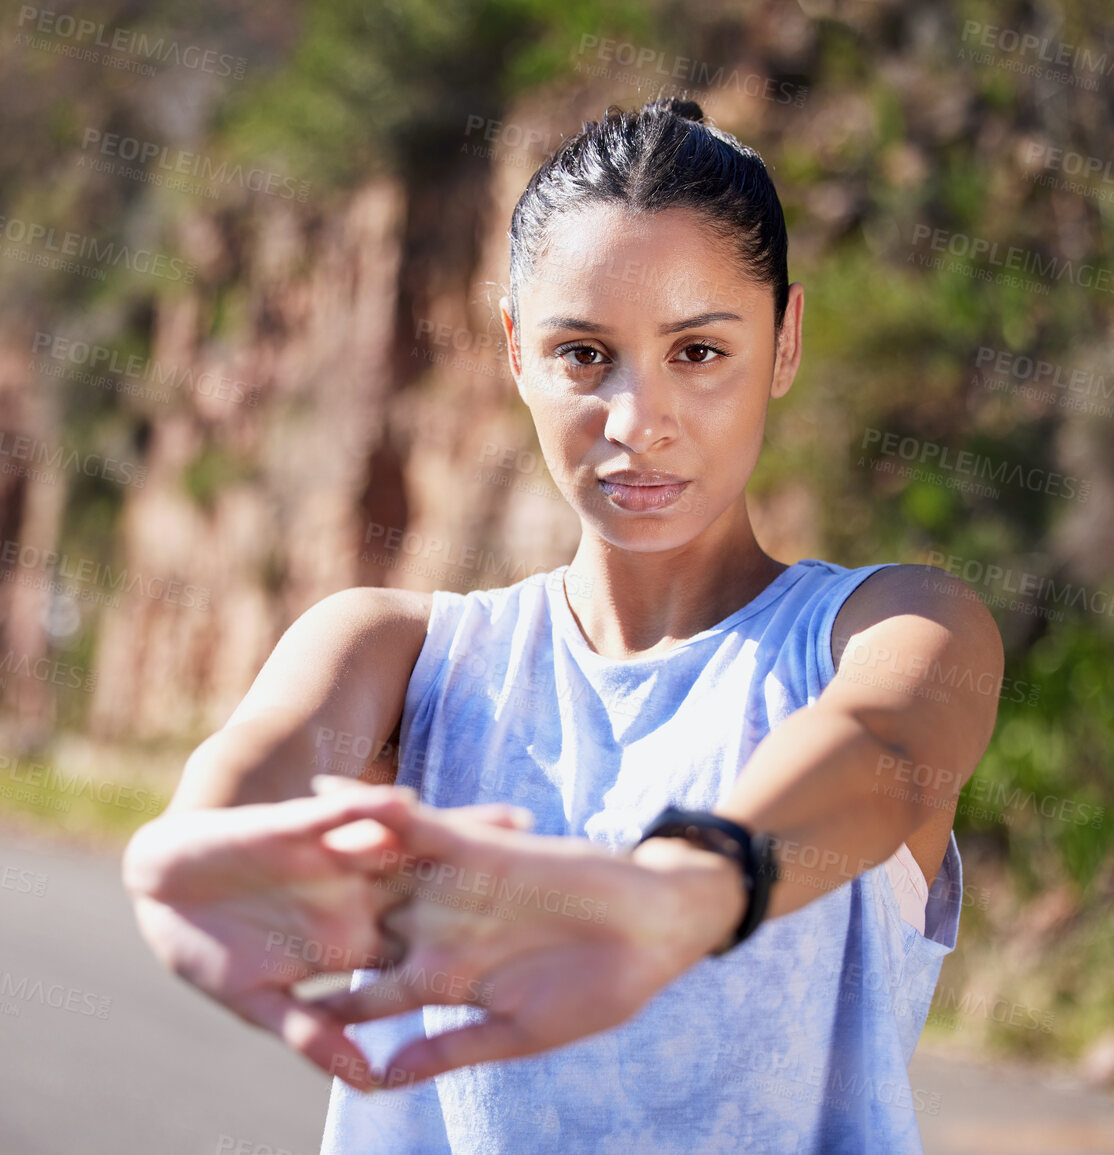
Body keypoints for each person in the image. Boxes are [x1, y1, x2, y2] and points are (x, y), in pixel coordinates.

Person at [122, 97, 1002, 1154]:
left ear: (785, 342)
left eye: (700, 352)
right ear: (515, 353)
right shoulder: (397, 659)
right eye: (585, 353)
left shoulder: (892, 628)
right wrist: (206, 861)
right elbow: (249, 784)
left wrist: (678, 893)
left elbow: (882, 751)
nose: (638, 422)